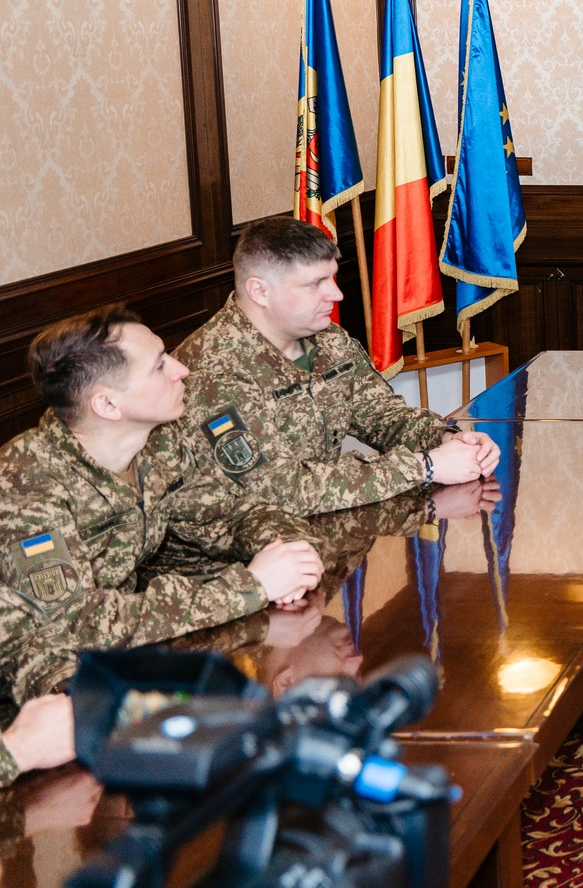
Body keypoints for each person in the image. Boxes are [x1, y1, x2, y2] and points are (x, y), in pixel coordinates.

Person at [0, 309, 326, 709]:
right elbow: (75, 622)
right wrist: (251, 586)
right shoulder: (27, 482)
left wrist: (290, 551)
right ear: (107, 404)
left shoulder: (158, 442)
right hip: (35, 695)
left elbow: (228, 513)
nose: (181, 369)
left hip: (125, 654)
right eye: (159, 365)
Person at [172, 218, 499, 527]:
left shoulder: (328, 339)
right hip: (235, 556)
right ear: (260, 291)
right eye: (315, 284)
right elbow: (279, 491)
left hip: (318, 531)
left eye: (332, 278)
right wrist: (425, 466)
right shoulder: (213, 368)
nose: (337, 294)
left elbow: (382, 415)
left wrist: (446, 438)